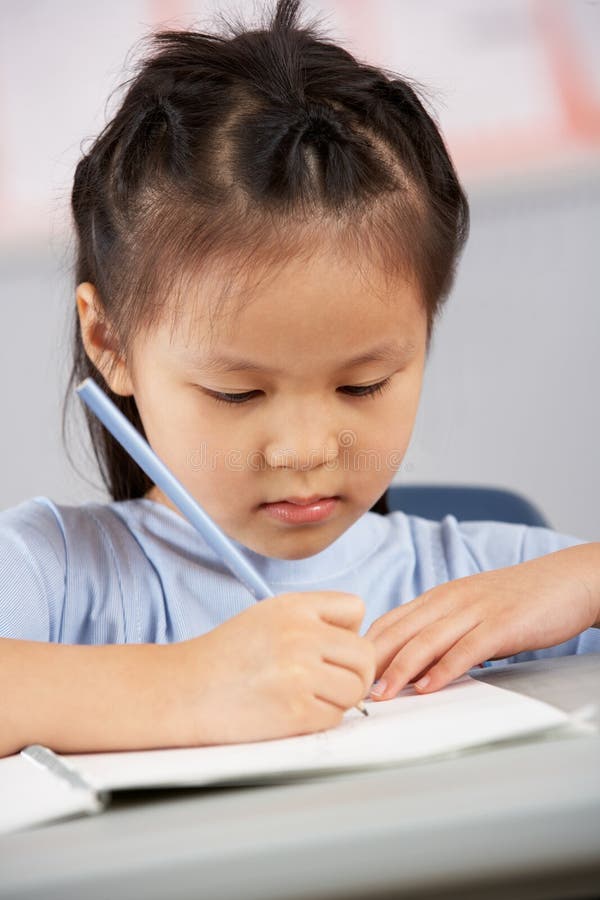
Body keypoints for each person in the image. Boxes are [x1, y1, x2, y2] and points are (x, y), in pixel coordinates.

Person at [0, 0, 598, 759]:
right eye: (238, 393)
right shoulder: (53, 573)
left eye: (364, 385)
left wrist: (584, 581)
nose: (305, 449)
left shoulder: (478, 583)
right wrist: (183, 686)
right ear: (108, 341)